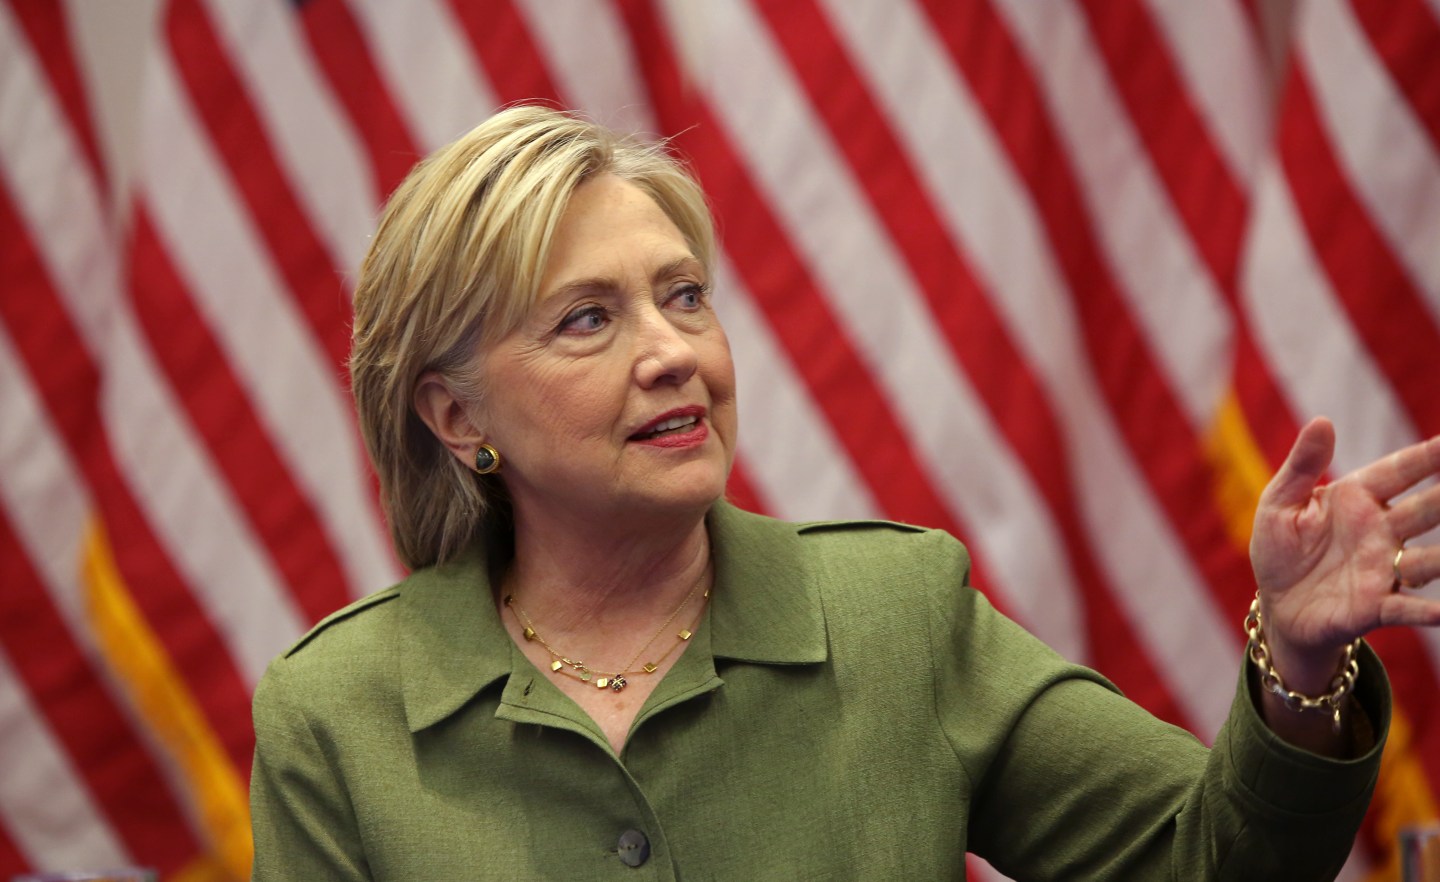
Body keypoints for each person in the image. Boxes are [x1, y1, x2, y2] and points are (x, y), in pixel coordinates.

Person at [248, 105, 1440, 880]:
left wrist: (1294, 664)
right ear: (457, 418)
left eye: (684, 296)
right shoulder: (337, 716)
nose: (671, 351)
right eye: (588, 319)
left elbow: (1210, 865)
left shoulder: (895, 612)